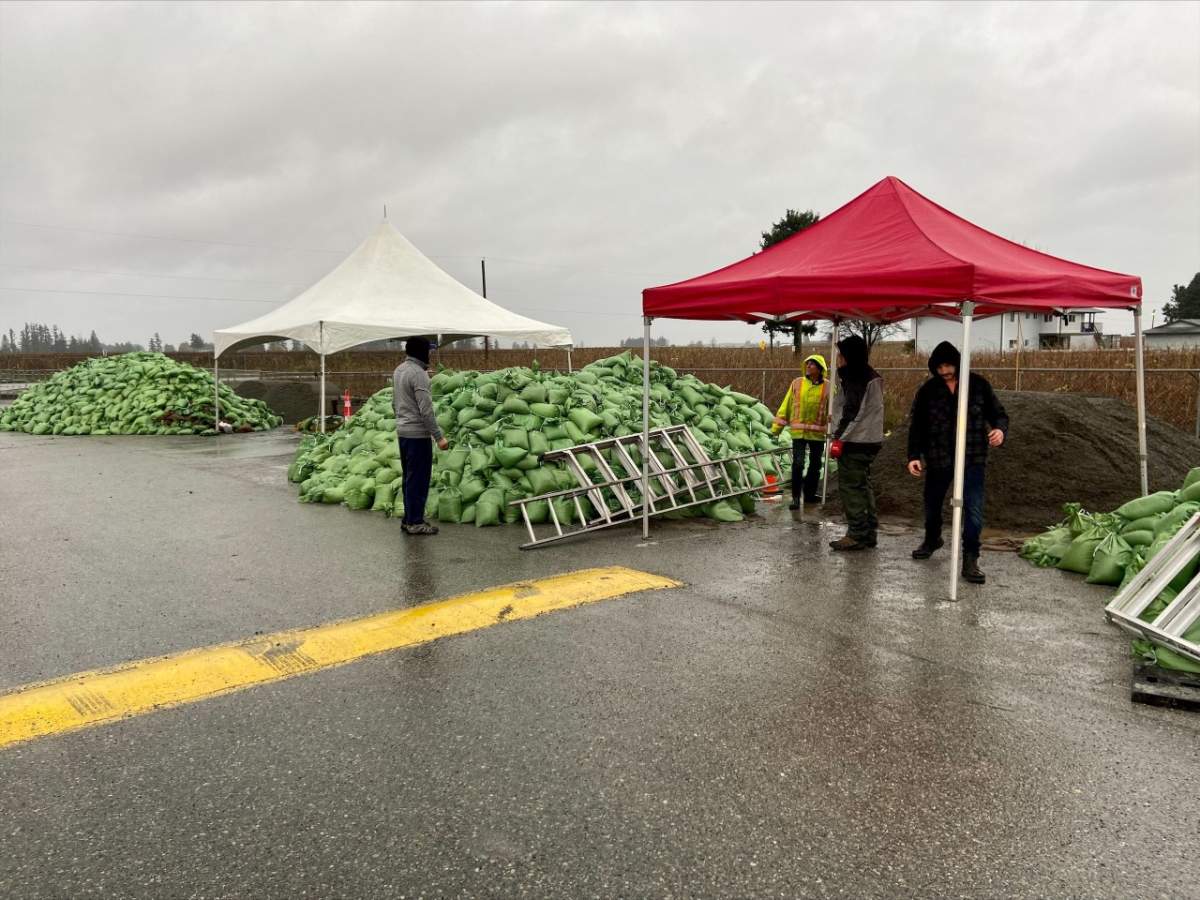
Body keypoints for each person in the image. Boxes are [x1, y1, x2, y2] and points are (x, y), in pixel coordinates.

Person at [906, 340, 1008, 584]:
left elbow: (999, 415)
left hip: (972, 457)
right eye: (939, 367)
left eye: (949, 366)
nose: (945, 372)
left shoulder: (979, 386)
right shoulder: (928, 391)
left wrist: (999, 431)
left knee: (973, 509)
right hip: (938, 457)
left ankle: (971, 558)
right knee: (932, 504)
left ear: (958, 363)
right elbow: (917, 426)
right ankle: (932, 538)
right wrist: (913, 456)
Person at [828, 335, 884, 551]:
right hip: (869, 439)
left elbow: (854, 412)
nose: (839, 358)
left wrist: (839, 438)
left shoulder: (858, 378)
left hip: (856, 440)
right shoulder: (868, 376)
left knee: (851, 488)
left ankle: (857, 533)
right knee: (863, 485)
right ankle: (868, 531)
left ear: (850, 356)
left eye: (842, 354)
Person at [393, 336, 448, 535]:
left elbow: (394, 403)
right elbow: (426, 410)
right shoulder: (419, 374)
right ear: (421, 351)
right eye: (428, 350)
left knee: (409, 478)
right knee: (418, 479)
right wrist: (438, 436)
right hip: (417, 435)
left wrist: (401, 421)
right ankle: (415, 522)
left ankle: (409, 519)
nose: (430, 354)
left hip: (403, 432)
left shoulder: (399, 370)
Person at [771, 353, 830, 509]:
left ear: (820, 368)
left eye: (812, 364)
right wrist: (777, 428)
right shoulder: (797, 383)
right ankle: (796, 498)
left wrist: (835, 430)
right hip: (799, 433)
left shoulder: (829, 387)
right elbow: (787, 405)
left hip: (818, 434)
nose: (808, 366)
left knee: (815, 465)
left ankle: (809, 495)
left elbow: (833, 411)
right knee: (797, 464)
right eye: (807, 364)